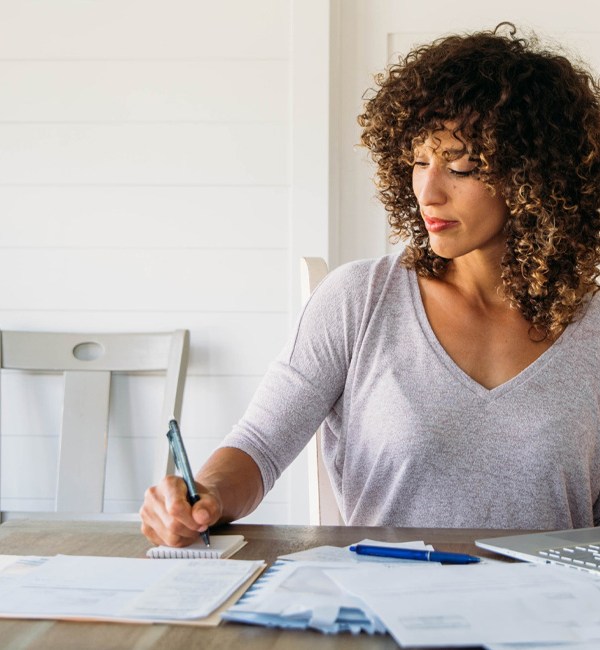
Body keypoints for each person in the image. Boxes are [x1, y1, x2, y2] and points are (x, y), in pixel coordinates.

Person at [141, 23, 600, 547]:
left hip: (549, 619)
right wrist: (205, 495)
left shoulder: (593, 330)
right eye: (419, 161)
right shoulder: (359, 300)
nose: (428, 191)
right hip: (387, 610)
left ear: (535, 177)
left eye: (462, 167)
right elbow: (259, 446)